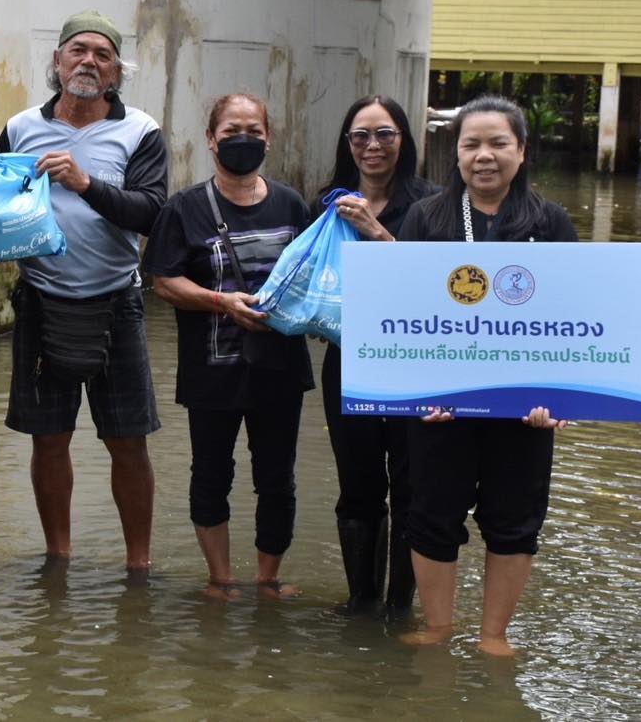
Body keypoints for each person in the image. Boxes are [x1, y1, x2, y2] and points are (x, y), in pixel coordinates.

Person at [395, 94, 576, 656]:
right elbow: (401, 314)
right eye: (471, 144)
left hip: (524, 410)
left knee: (516, 520)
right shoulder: (426, 218)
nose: (484, 156)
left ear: (521, 151)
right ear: (456, 154)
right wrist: (415, 394)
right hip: (442, 405)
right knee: (431, 515)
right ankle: (439, 628)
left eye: (499, 143)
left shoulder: (549, 222)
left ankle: (494, 636)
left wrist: (558, 399)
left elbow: (572, 316)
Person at [0, 11, 167, 572]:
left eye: (101, 54)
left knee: (128, 439)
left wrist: (85, 183)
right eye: (77, 51)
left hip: (117, 299)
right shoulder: (20, 128)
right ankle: (58, 558)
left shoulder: (139, 131)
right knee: (49, 438)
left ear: (116, 71)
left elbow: (151, 212)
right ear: (57, 62)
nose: (88, 62)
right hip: (42, 298)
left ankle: (138, 564)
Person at [143, 93, 312, 599]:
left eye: (254, 130)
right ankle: (221, 579)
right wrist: (221, 301)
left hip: (280, 368)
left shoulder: (291, 205)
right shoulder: (184, 209)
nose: (244, 139)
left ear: (269, 137)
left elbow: (314, 279)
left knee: (277, 478)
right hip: (212, 370)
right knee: (211, 474)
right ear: (212, 139)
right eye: (232, 130)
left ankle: (267, 580)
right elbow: (163, 281)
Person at [314, 96, 436, 615]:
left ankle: (400, 605)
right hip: (348, 359)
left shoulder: (435, 206)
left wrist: (377, 233)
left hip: (414, 365)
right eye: (360, 136)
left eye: (384, 134)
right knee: (357, 484)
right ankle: (361, 601)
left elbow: (442, 290)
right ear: (347, 145)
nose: (372, 146)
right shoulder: (326, 203)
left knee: (412, 486)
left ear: (403, 140)